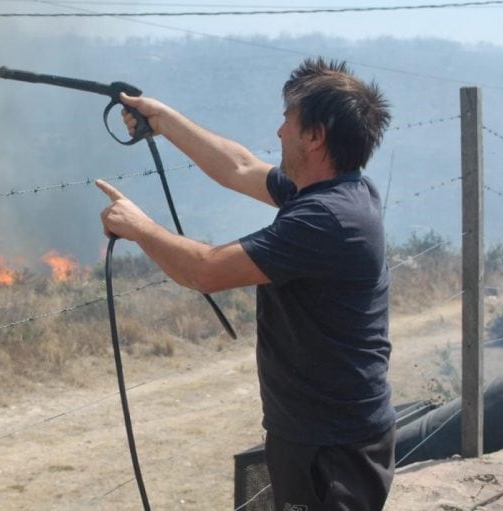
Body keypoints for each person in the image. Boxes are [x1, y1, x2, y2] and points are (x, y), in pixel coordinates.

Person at [97, 58, 396, 510]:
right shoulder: (336, 190)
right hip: (320, 432)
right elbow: (238, 166)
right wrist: (163, 119)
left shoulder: (327, 219)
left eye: (287, 122)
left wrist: (137, 226)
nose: (278, 133)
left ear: (315, 137)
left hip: (330, 446)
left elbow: (205, 270)